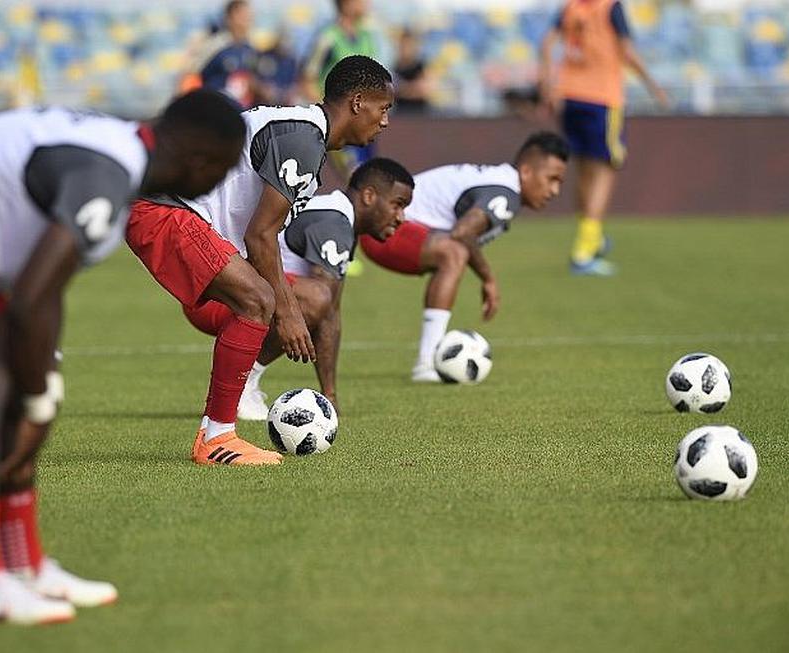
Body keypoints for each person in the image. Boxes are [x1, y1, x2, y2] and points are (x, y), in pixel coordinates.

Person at [0, 91, 245, 625]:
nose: (219, 184)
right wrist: (34, 399)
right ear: (199, 159)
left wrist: (40, 389)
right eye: (223, 170)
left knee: (27, 385)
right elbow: (30, 299)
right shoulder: (107, 175)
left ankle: (26, 567)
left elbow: (44, 292)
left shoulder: (120, 163)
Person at [126, 55, 394, 465]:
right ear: (358, 102)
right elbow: (260, 236)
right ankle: (217, 437)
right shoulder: (303, 138)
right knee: (259, 300)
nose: (385, 121)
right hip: (165, 210)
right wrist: (288, 312)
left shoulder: (305, 138)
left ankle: (220, 426)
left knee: (257, 300)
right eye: (383, 108)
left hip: (173, 212)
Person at [182, 157, 415, 420]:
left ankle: (243, 382)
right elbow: (323, 305)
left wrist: (330, 397)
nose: (401, 217)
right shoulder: (333, 222)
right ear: (369, 196)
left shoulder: (338, 218)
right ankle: (243, 383)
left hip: (231, 294)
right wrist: (330, 396)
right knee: (316, 297)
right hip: (218, 299)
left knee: (319, 298)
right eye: (397, 205)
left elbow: (330, 314)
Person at [359, 132, 569, 382]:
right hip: (384, 231)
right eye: (551, 179)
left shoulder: (499, 183)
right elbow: (462, 233)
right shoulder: (505, 193)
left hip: (387, 230)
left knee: (453, 252)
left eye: (559, 182)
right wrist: (488, 279)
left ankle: (430, 358)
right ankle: (427, 363)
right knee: (454, 251)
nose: (555, 190)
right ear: (526, 171)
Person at [539, 0, 669, 276]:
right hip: (602, 98)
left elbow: (547, 43)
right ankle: (584, 251)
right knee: (605, 170)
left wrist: (548, 83)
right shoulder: (610, 6)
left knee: (583, 170)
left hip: (569, 96)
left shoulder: (571, 7)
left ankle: (592, 237)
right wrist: (653, 86)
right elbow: (627, 51)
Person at [301, 0, 379, 180]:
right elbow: (307, 78)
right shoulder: (328, 37)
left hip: (363, 119)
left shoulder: (366, 36)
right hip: (340, 119)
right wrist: (329, 113)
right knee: (354, 176)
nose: (367, 3)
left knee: (367, 175)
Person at [186, 0, 271, 108]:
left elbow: (251, 80)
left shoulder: (250, 49)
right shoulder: (216, 45)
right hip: (214, 108)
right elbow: (191, 75)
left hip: (240, 111)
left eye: (249, 15)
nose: (248, 19)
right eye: (242, 15)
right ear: (229, 17)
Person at [393, 28, 432, 114]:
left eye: (408, 45)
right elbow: (391, 91)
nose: (405, 49)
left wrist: (403, 89)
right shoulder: (395, 67)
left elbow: (424, 90)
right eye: (402, 45)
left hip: (419, 114)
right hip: (400, 114)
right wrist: (411, 88)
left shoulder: (421, 66)